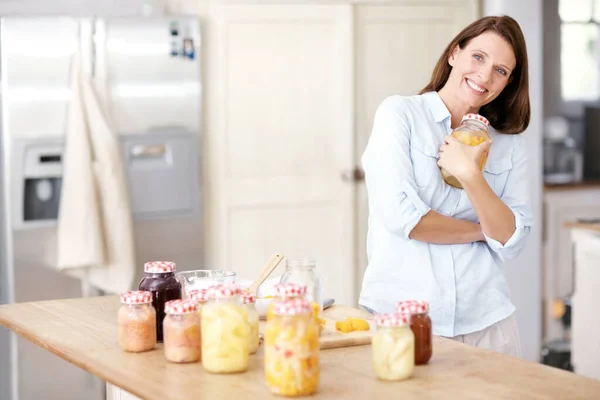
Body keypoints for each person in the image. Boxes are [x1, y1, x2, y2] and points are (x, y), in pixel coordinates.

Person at [358, 15, 533, 357]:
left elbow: (513, 242)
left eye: (501, 70)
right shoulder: (400, 114)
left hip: (489, 324)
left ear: (509, 83)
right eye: (478, 57)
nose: (485, 75)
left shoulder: (511, 145)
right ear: (455, 54)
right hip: (402, 319)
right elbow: (404, 220)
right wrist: (484, 230)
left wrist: (471, 175)